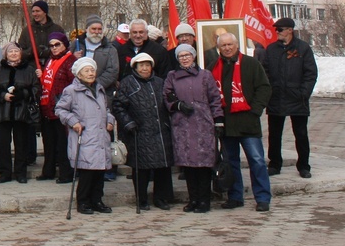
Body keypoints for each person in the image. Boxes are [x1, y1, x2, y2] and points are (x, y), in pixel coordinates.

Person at [206, 31, 273, 212]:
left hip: (248, 122)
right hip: (226, 124)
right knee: (231, 162)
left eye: (230, 45)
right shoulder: (213, 67)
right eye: (223, 46)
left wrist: (255, 111)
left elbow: (264, 88)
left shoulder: (251, 64)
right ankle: (235, 197)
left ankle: (262, 197)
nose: (227, 48)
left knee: (257, 161)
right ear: (218, 48)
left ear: (237, 45)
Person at [164, 43, 224, 213]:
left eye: (187, 55)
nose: (184, 58)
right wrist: (178, 105)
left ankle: (204, 200)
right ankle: (193, 199)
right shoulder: (172, 76)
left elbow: (214, 98)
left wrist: (218, 120)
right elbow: (167, 96)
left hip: (203, 123)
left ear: (193, 56)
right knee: (188, 165)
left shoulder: (205, 75)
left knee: (203, 164)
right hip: (182, 125)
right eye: (181, 56)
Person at [112, 52, 175, 210]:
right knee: (142, 169)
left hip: (160, 131)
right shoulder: (128, 83)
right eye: (141, 66)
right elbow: (118, 106)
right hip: (139, 132)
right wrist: (128, 123)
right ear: (135, 67)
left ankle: (161, 198)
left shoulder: (160, 82)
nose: (145, 68)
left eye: (147, 65)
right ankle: (142, 199)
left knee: (162, 167)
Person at [55, 57, 116, 215]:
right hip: (85, 137)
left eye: (92, 70)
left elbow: (106, 110)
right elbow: (60, 109)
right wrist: (73, 122)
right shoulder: (71, 91)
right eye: (86, 71)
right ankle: (83, 202)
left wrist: (110, 120)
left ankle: (97, 200)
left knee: (99, 173)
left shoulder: (100, 89)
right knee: (88, 172)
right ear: (79, 75)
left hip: (100, 136)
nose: (90, 73)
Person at [262, 17, 319, 178]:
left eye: (280, 30)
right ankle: (274, 164)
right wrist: (269, 90)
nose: (277, 33)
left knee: (300, 134)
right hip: (276, 97)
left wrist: (303, 93)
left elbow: (311, 73)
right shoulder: (271, 49)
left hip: (297, 98)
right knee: (274, 133)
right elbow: (264, 71)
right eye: (276, 30)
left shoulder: (303, 48)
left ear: (289, 30)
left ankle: (303, 166)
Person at [0, 42, 39, 184]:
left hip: (21, 112)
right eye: (10, 52)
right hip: (3, 112)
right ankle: (5, 173)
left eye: (16, 51)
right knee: (3, 144)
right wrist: (2, 95)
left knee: (21, 144)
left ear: (20, 53)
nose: (13, 54)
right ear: (6, 54)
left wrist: (23, 94)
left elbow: (36, 88)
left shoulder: (29, 70)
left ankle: (20, 173)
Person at [37, 31, 76, 183]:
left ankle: (65, 173)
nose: (53, 48)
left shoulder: (70, 61)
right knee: (49, 142)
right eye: (51, 45)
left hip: (62, 107)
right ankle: (48, 170)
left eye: (57, 45)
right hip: (47, 106)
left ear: (64, 44)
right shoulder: (49, 60)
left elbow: (73, 83)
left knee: (62, 142)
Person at [73, 15, 120, 99]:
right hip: (78, 91)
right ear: (87, 29)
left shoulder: (110, 48)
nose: (97, 32)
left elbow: (113, 71)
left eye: (99, 29)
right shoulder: (76, 45)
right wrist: (72, 58)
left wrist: (94, 84)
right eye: (94, 29)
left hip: (101, 93)